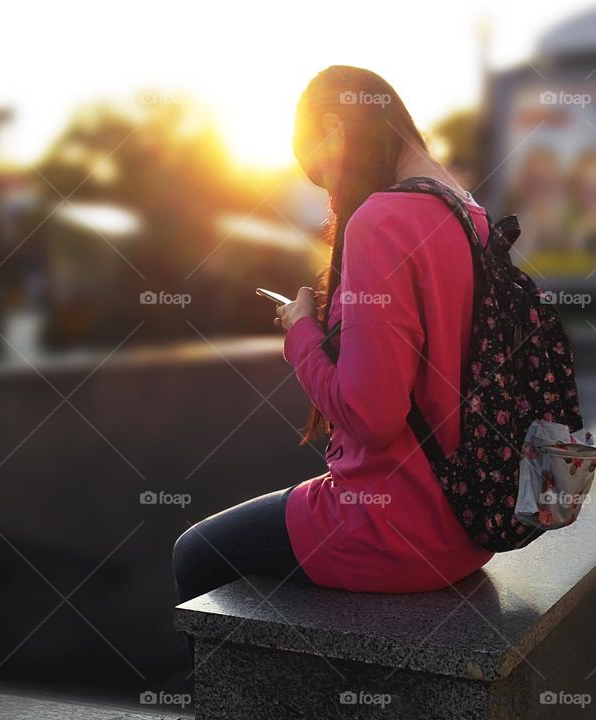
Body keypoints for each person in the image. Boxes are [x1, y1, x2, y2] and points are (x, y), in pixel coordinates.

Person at [173, 66, 494, 609]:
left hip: (391, 527)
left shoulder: (382, 220)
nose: (331, 193)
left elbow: (372, 416)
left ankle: (256, 698)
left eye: (321, 173)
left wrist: (300, 333)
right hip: (470, 526)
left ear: (334, 129)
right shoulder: (470, 213)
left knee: (193, 553)